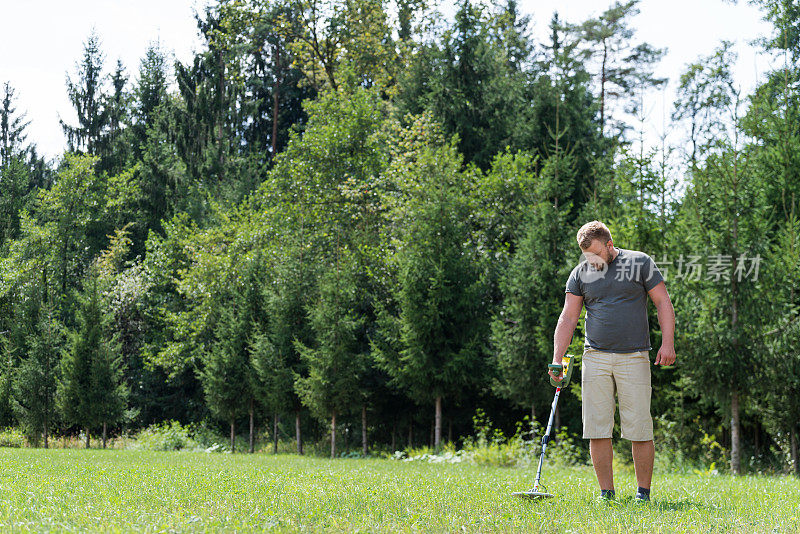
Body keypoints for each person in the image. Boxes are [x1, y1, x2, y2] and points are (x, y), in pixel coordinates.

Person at [549, 220, 676, 503]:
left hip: (635, 356)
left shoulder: (640, 263)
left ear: (609, 244)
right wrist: (557, 359)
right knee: (597, 427)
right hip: (595, 357)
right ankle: (607, 495)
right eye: (587, 257)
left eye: (596, 254)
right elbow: (568, 317)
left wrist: (667, 343)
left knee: (640, 428)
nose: (592, 261)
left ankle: (643, 494)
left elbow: (662, 302)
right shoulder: (580, 274)